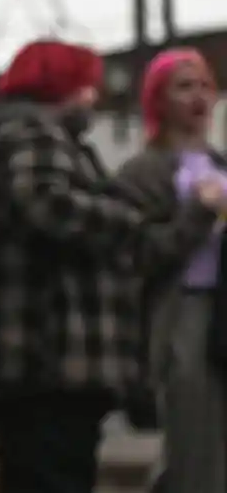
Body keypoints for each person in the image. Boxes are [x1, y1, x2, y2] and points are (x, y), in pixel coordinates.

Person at [0, 40, 226, 493]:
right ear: (61, 86)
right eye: (86, 86)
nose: (94, 98)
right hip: (42, 358)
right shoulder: (32, 135)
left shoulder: (32, 138)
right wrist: (135, 222)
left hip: (44, 364)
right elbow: (52, 206)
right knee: (51, 471)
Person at [116, 48, 227, 493]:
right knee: (193, 440)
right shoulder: (142, 173)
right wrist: (198, 214)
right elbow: (140, 253)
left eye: (204, 85)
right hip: (183, 313)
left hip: (223, 308)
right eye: (184, 87)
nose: (198, 96)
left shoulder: (220, 164)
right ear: (158, 100)